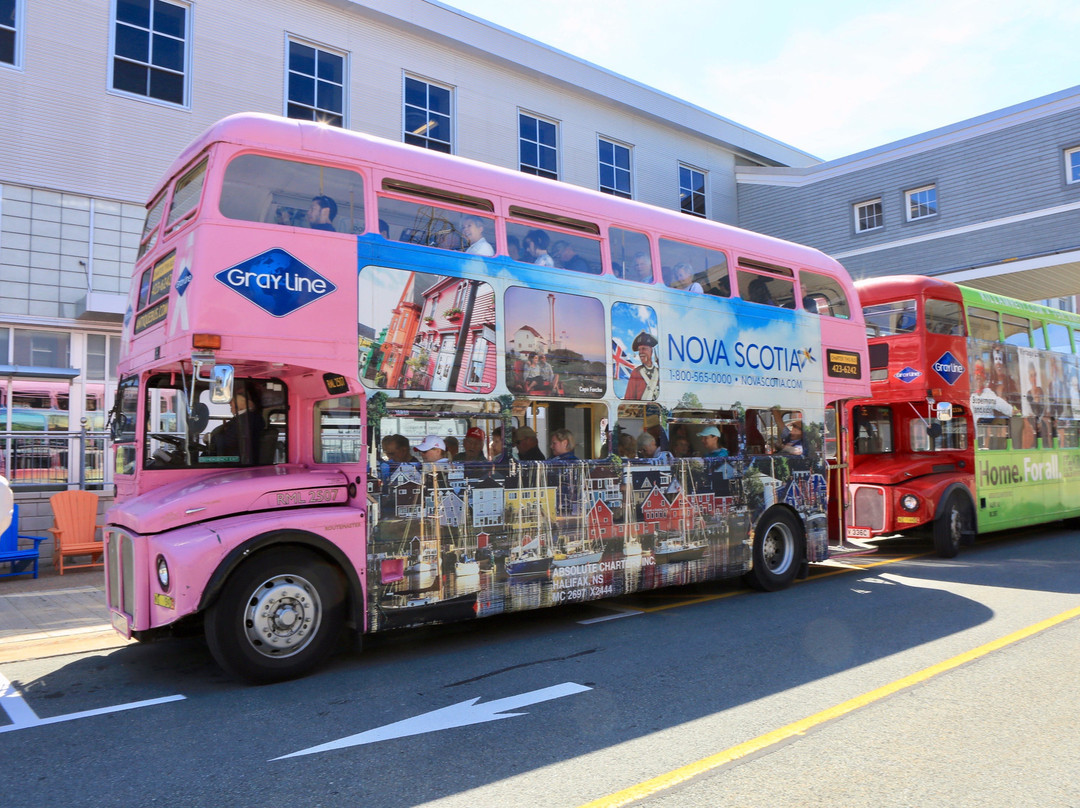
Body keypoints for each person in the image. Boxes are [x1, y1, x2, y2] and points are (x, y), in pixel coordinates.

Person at [209, 384, 264, 461]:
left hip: (234, 460)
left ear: (246, 403)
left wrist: (211, 438)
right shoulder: (247, 418)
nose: (230, 403)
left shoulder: (246, 420)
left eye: (234, 400)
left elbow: (229, 442)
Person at [624, 331, 659, 401]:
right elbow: (628, 399)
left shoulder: (659, 372)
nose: (641, 353)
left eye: (644, 349)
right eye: (639, 350)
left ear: (651, 351)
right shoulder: (636, 372)